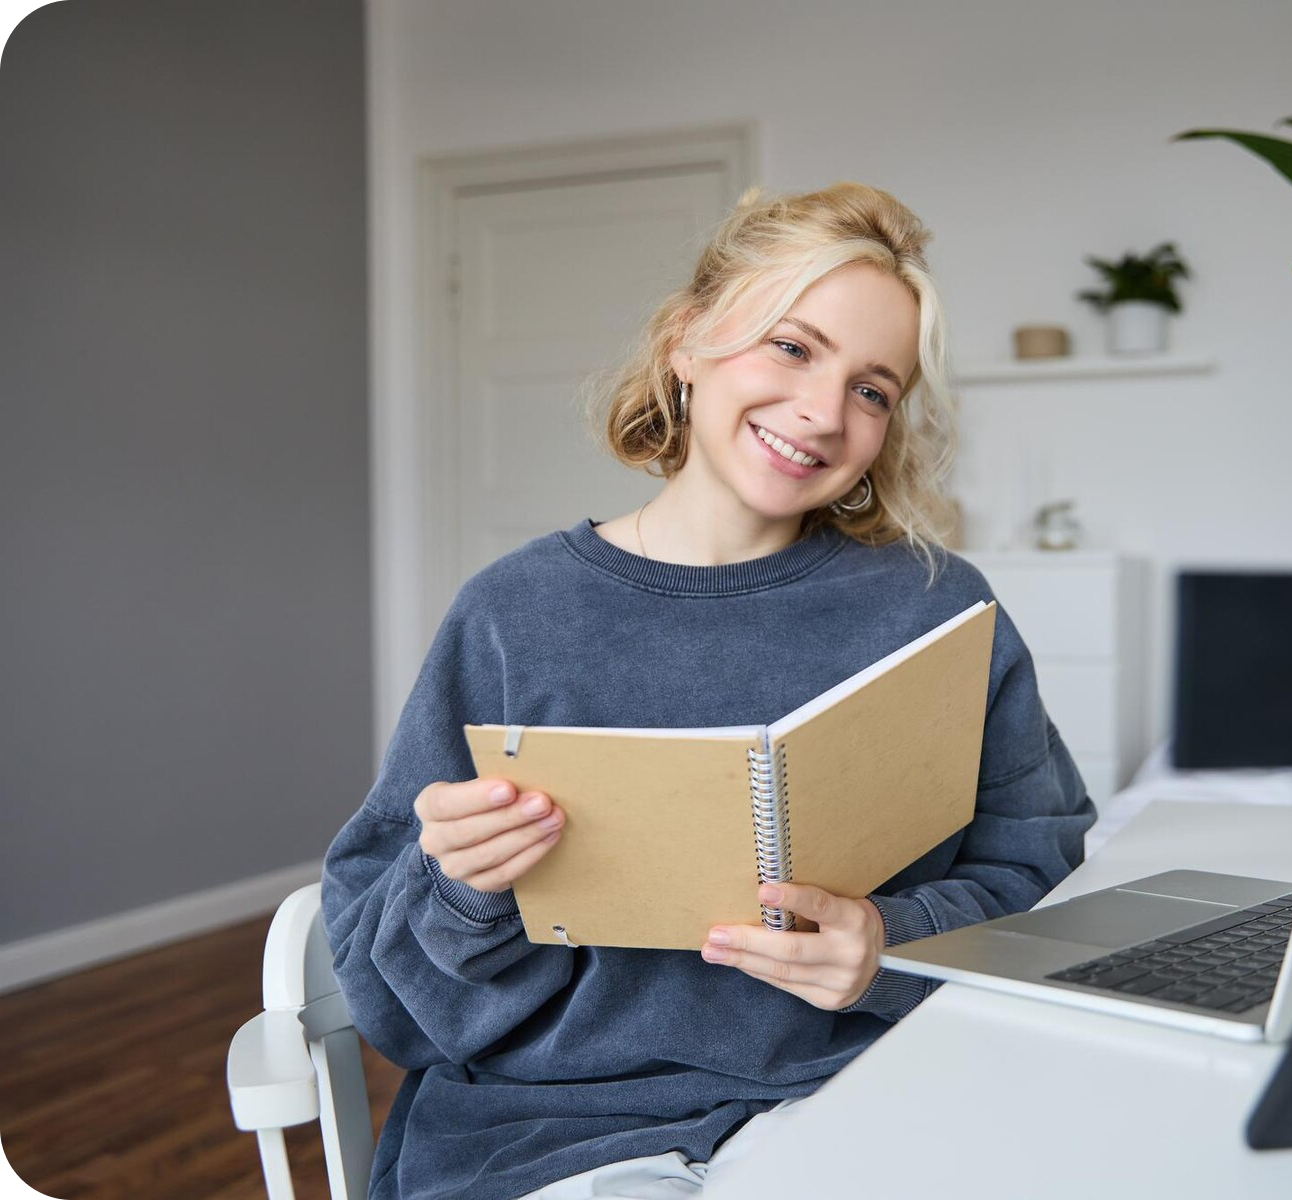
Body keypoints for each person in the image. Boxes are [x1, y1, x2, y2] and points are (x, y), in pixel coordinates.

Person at [321, 181, 1098, 1200]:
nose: (824, 411)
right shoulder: (515, 613)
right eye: (792, 346)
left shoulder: (936, 609)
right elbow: (387, 999)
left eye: (874, 388)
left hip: (867, 1104)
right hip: (559, 1132)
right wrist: (461, 893)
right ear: (687, 343)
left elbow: (1041, 871)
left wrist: (888, 947)